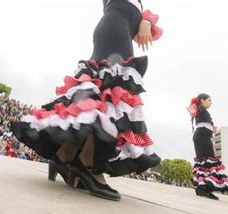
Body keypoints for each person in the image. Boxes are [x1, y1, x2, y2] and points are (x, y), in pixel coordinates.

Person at [11, 0, 163, 201]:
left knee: (102, 89)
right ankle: (87, 163)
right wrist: (144, 22)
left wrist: (145, 21)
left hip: (119, 28)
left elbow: (141, 12)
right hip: (115, 27)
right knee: (109, 88)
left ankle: (64, 156)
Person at [187, 93, 228, 200]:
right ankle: (205, 189)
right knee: (208, 162)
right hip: (202, 137)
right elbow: (192, 109)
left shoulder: (202, 111)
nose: (211, 102)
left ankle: (201, 187)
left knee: (204, 162)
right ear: (202, 101)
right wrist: (195, 103)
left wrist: (212, 127)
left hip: (201, 136)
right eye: (209, 100)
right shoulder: (200, 108)